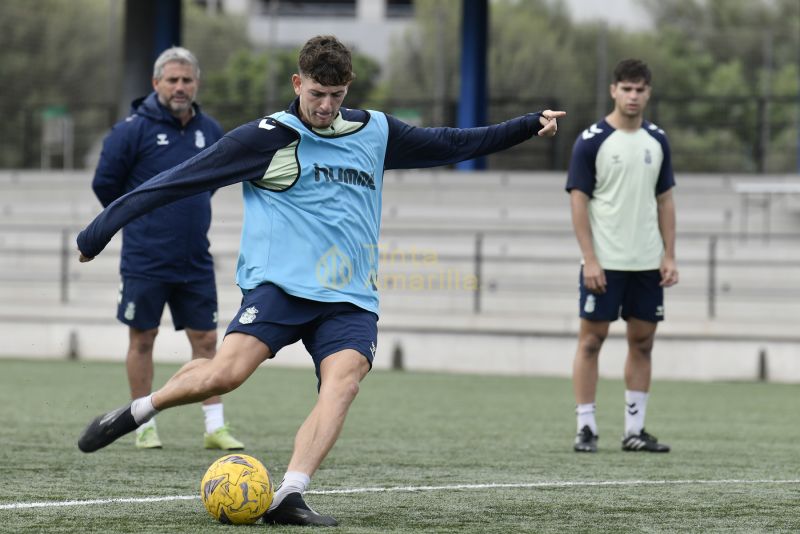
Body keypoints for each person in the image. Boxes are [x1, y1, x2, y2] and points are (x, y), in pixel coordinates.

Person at [76, 35, 565, 526]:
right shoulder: (267, 137)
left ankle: (290, 492)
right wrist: (100, 230)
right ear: (298, 84)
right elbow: (177, 180)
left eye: (336, 95)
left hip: (349, 296)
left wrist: (525, 126)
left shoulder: (376, 131)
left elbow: (452, 144)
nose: (326, 106)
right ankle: (143, 408)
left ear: (347, 88)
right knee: (225, 375)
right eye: (316, 94)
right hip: (279, 287)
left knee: (344, 383)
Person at [91, 46, 244, 451]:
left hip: (195, 258)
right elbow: (105, 185)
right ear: (156, 83)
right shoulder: (130, 131)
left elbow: (214, 180)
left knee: (208, 341)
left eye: (187, 80)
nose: (180, 87)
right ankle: (143, 425)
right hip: (145, 258)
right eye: (172, 80)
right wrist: (141, 219)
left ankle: (215, 426)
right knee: (142, 339)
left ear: (196, 84)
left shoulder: (210, 129)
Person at [566, 59, 678, 454]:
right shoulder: (592, 140)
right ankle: (586, 427)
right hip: (605, 262)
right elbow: (579, 202)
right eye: (626, 89)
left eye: (640, 89)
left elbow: (665, 201)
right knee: (591, 342)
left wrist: (670, 255)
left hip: (647, 262)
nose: (633, 96)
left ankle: (634, 430)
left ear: (648, 92)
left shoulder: (657, 140)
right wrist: (590, 259)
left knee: (643, 342)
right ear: (614, 90)